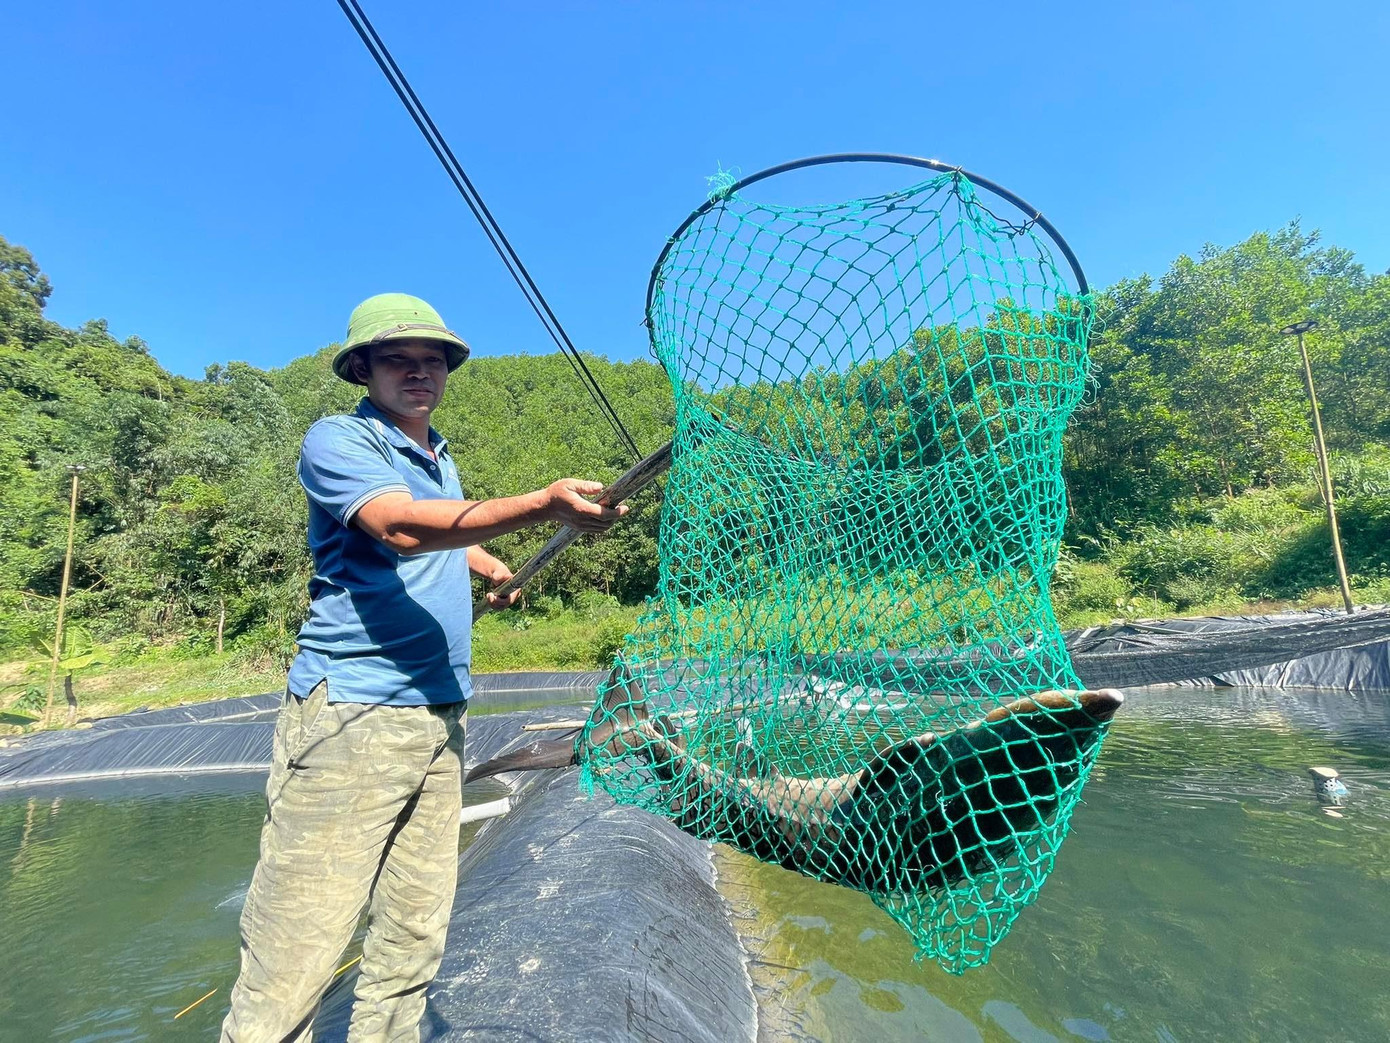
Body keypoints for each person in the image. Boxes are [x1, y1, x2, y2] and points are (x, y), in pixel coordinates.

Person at [221, 293, 626, 1042]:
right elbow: (400, 525)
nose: (419, 373)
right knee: (295, 952)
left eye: (432, 361)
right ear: (362, 369)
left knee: (411, 937)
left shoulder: (439, 458)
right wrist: (540, 504)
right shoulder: (337, 440)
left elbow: (439, 522)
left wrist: (483, 559)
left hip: (439, 719)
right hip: (354, 719)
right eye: (398, 359)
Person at [466, 664, 1123, 895]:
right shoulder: (947, 790)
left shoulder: (953, 801)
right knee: (743, 791)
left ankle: (641, 733)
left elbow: (914, 772)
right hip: (848, 830)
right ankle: (638, 733)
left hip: (861, 839)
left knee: (743, 793)